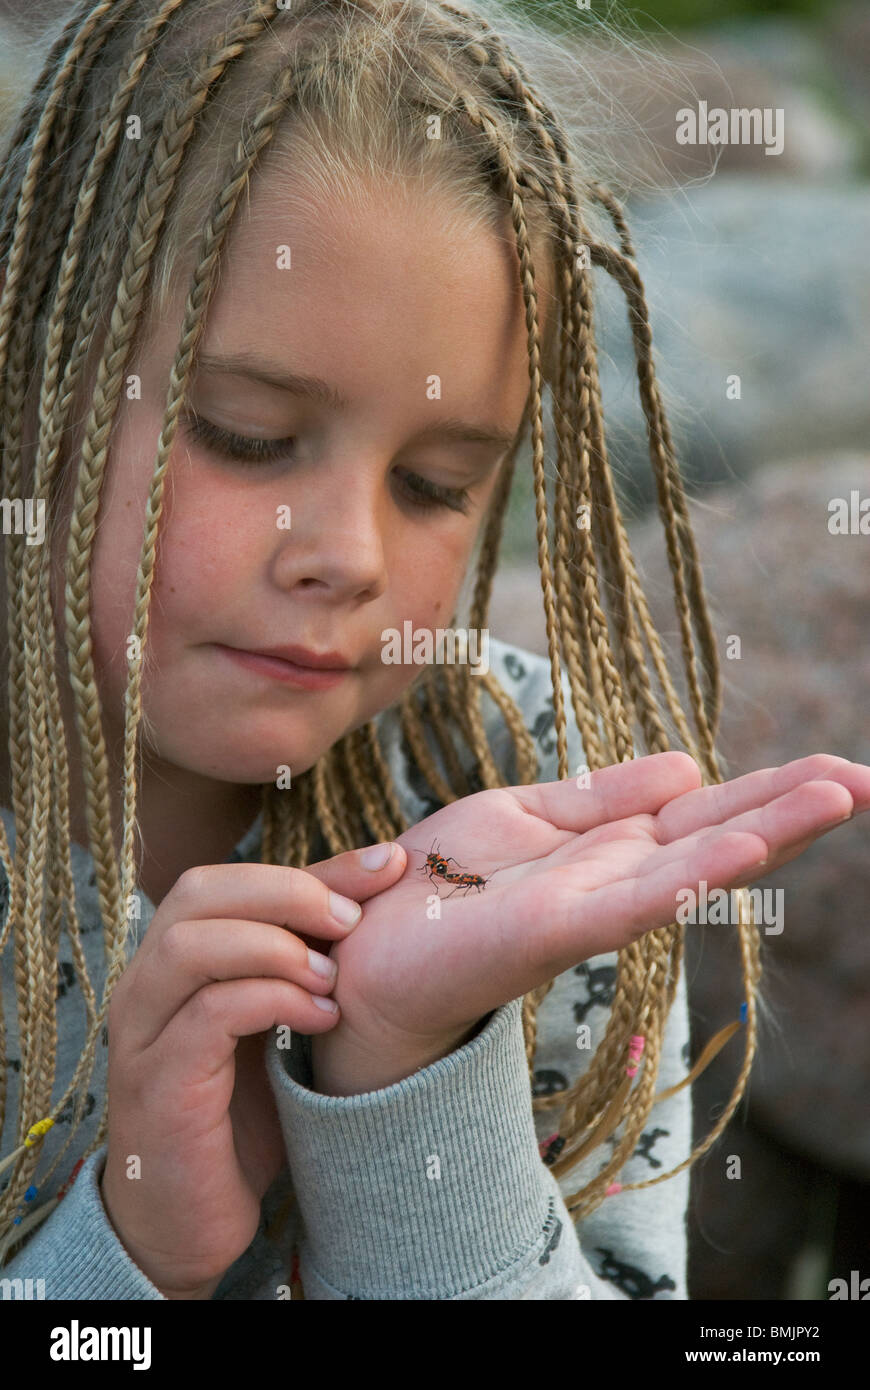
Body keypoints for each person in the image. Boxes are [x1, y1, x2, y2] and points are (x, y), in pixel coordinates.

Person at [0, 0, 866, 1300]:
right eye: (248, 435)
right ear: (34, 391)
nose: (346, 552)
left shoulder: (511, 808)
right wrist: (128, 1257)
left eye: (435, 482)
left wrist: (411, 1075)